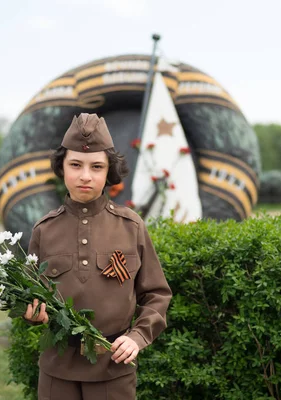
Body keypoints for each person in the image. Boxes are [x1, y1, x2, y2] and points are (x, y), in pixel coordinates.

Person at [23, 113, 172, 399]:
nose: (85, 175)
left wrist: (138, 337)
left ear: (109, 173)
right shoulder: (44, 230)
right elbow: (30, 298)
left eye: (97, 166)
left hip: (113, 369)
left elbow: (157, 294)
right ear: (62, 168)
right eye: (75, 164)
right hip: (56, 371)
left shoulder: (131, 227)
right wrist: (31, 314)